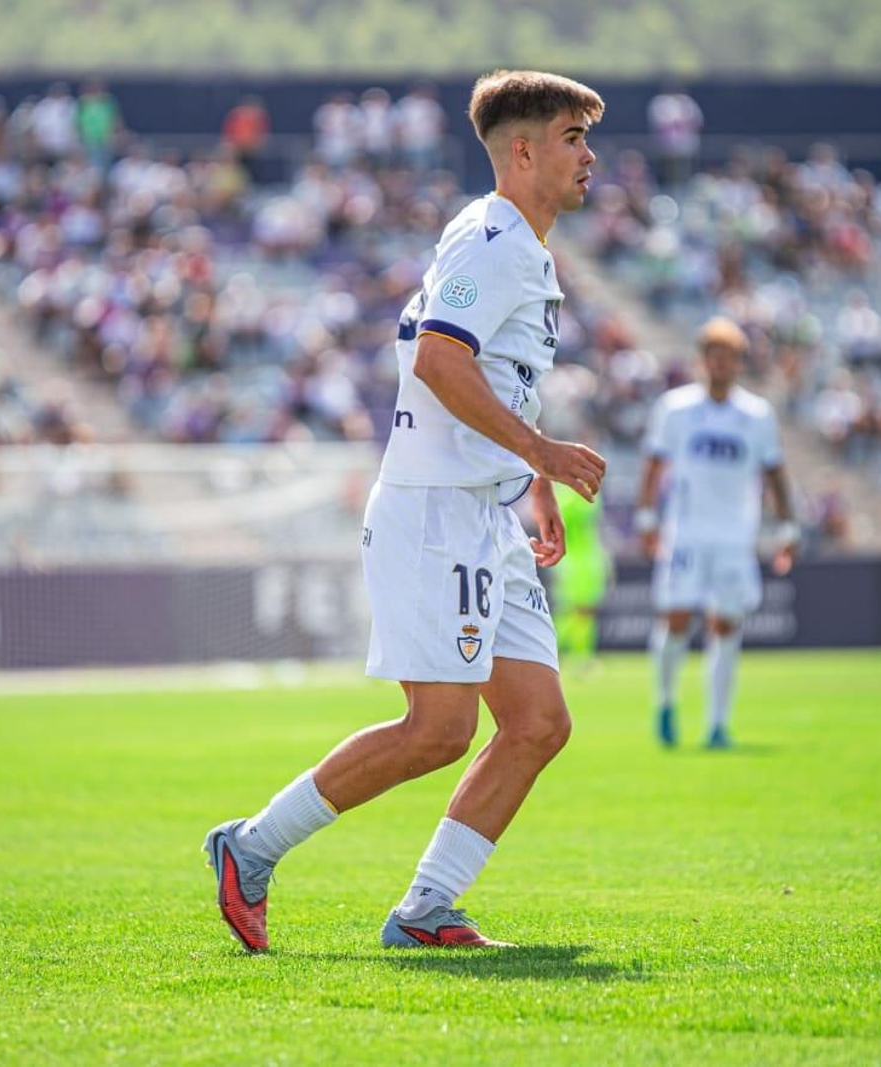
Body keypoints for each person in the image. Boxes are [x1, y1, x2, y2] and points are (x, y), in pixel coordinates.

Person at [205, 70, 607, 952]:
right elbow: (438, 361)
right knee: (439, 730)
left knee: (538, 722)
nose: (590, 157)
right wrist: (541, 453)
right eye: (575, 139)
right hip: (434, 516)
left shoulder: (519, 247)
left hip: (485, 515)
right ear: (525, 150)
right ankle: (250, 845)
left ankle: (427, 910)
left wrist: (529, 478)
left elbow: (489, 377)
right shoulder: (493, 238)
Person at [636, 317, 798, 750]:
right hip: (685, 532)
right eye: (714, 355)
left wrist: (787, 526)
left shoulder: (757, 415)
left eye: (730, 357)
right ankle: (666, 700)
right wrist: (647, 519)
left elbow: (775, 472)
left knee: (725, 625)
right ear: (702, 359)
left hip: (734, 537)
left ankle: (716, 725)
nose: (721, 364)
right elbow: (653, 465)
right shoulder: (675, 409)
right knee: (676, 620)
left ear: (740, 363)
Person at [548, 477, 611, 667]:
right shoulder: (562, 497)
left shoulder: (591, 496)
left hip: (590, 559)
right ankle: (551, 650)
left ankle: (582, 657)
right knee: (571, 610)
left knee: (587, 611)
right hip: (571, 560)